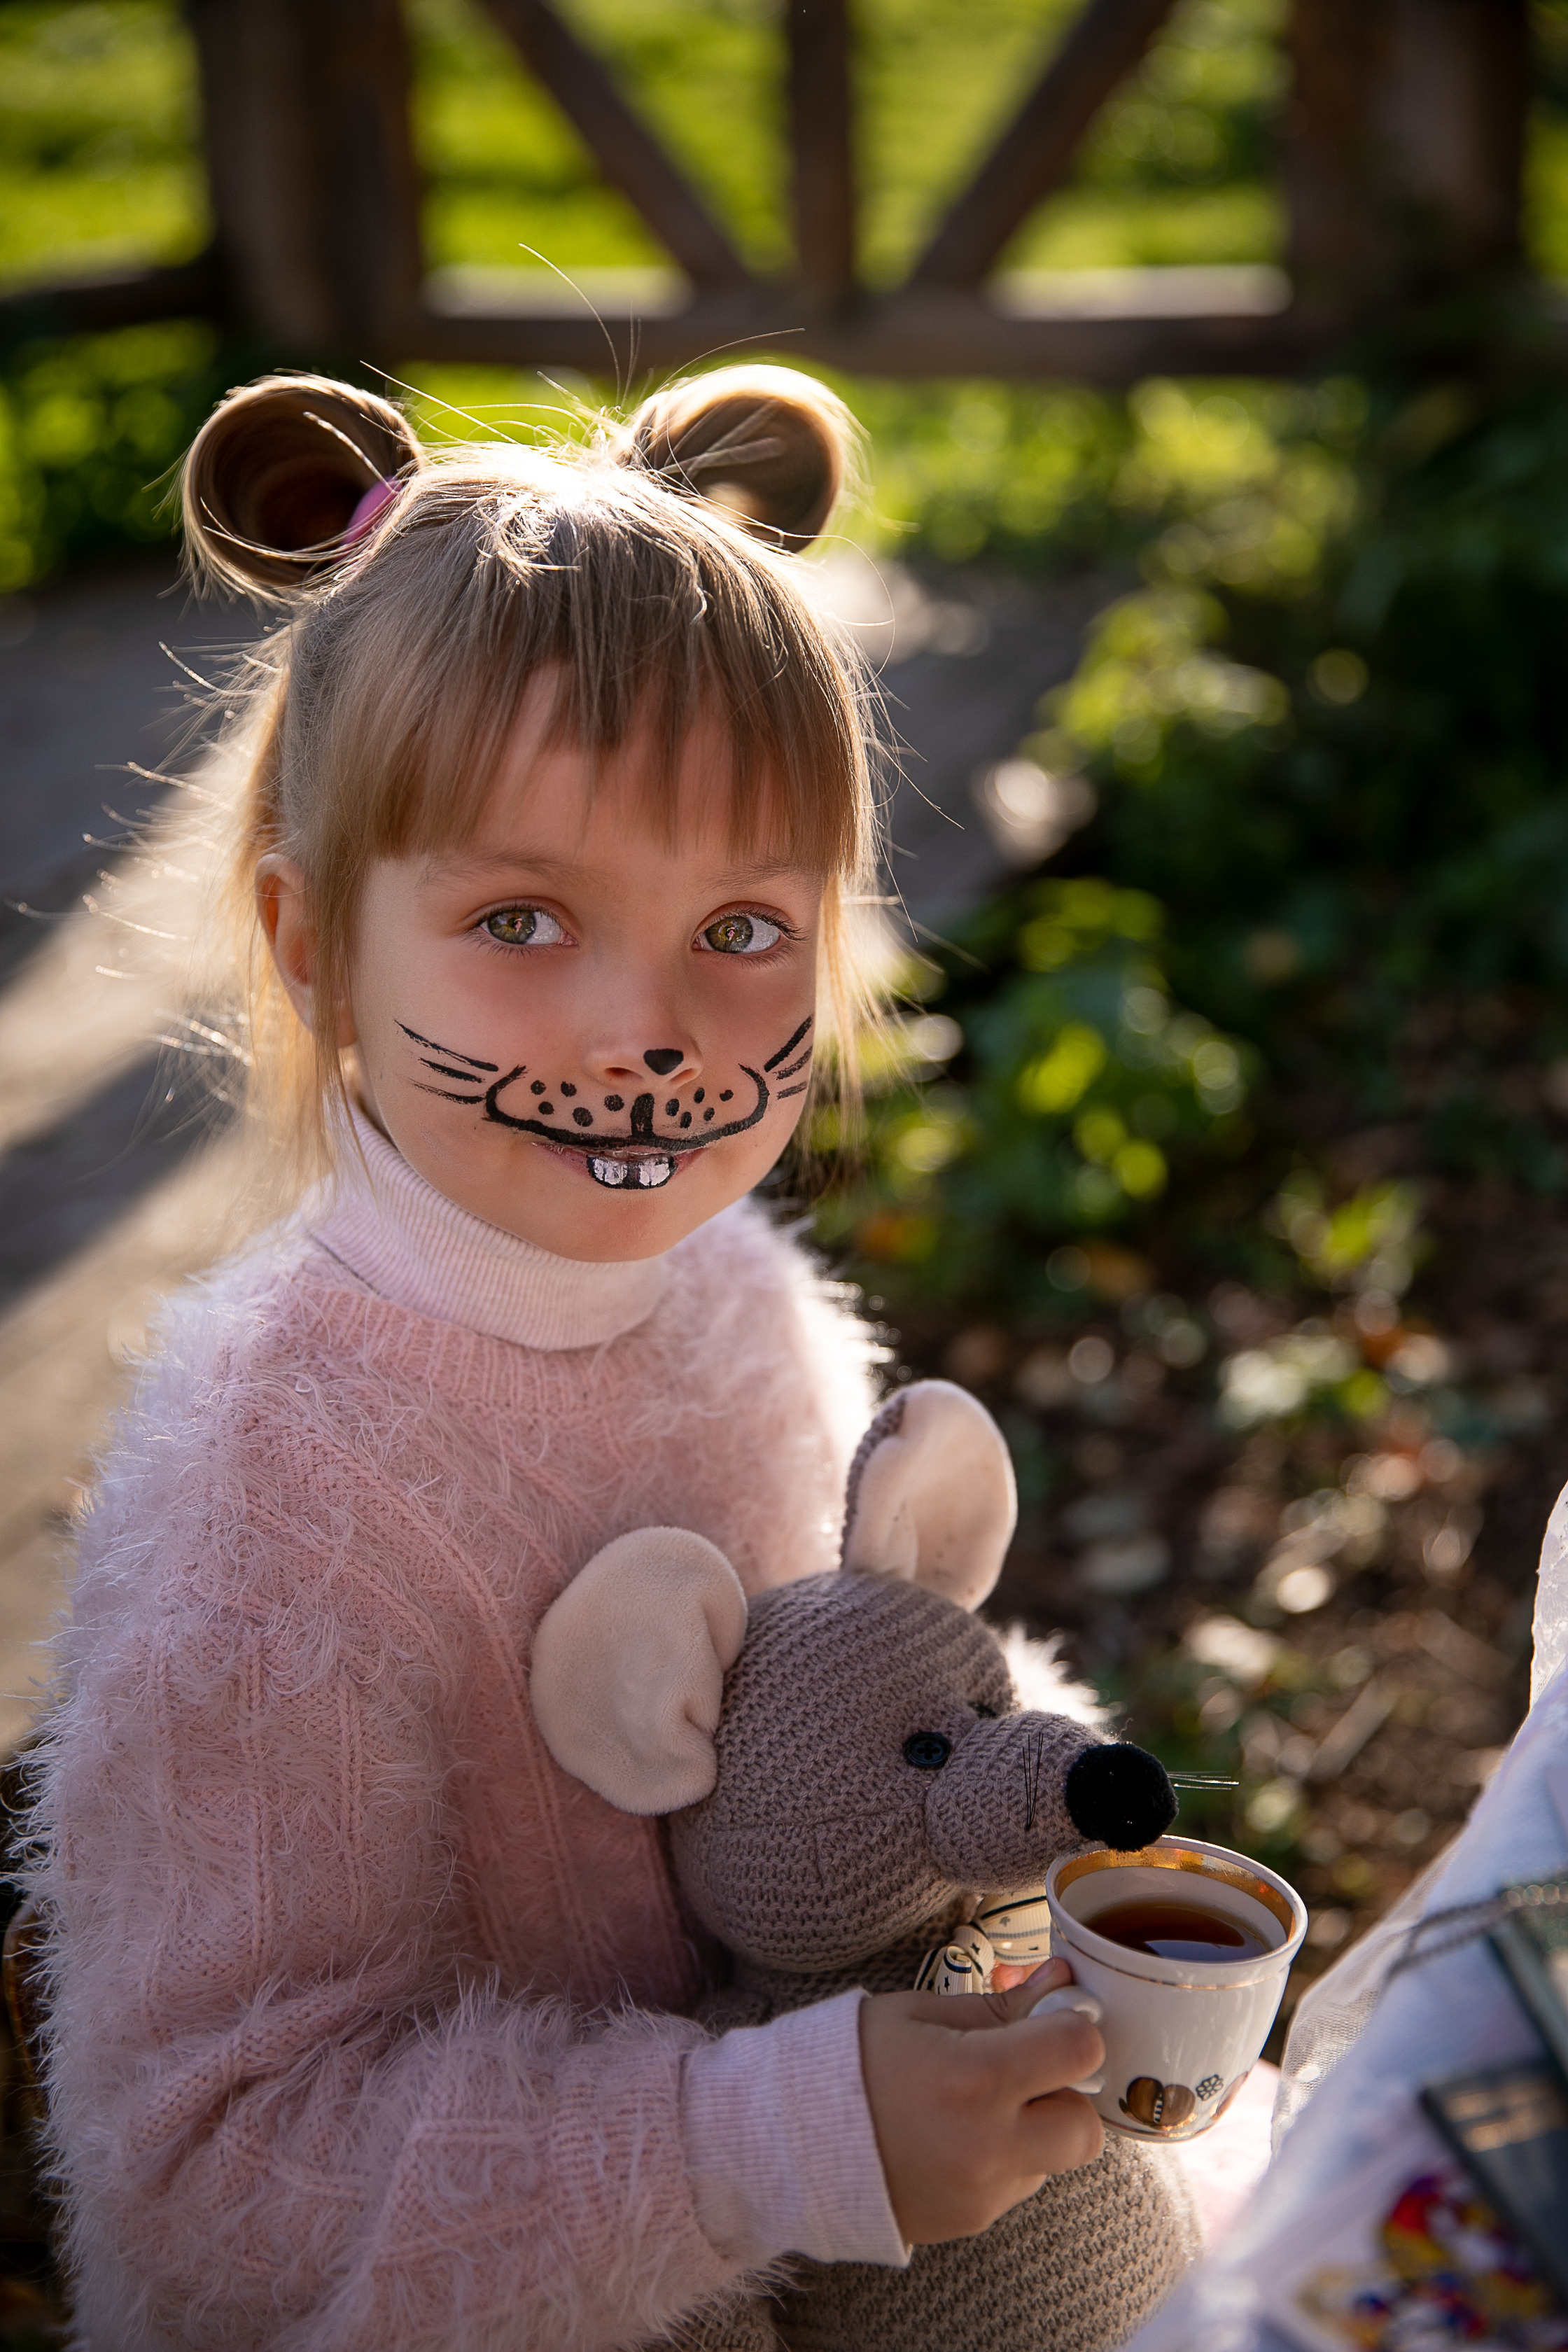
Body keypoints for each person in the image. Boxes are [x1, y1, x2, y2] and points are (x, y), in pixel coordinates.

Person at [27, 367, 1135, 2350]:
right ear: (308, 944)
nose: (653, 1032)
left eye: (742, 927)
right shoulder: (266, 1507)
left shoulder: (737, 1303)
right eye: (522, 916)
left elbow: (847, 1715)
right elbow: (209, 2200)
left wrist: (1065, 1807)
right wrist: (756, 2139)